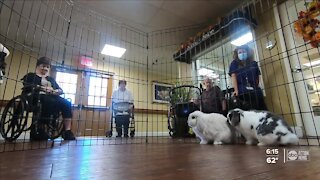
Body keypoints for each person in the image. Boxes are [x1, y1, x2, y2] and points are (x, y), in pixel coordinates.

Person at [22, 57, 76, 140]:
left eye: (48, 67)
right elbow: (28, 86)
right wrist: (43, 88)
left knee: (67, 103)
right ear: (38, 66)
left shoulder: (51, 79)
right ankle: (41, 128)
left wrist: (55, 91)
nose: (45, 68)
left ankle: (67, 131)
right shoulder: (30, 76)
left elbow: (60, 90)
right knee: (47, 100)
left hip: (52, 96)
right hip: (35, 96)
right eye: (43, 66)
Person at [228, 45, 267, 111]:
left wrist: (255, 86)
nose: (242, 53)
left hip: (254, 90)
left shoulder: (253, 63)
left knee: (260, 108)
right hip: (242, 91)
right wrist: (236, 90)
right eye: (240, 52)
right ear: (237, 55)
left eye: (243, 51)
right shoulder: (234, 63)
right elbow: (233, 76)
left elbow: (257, 76)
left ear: (247, 52)